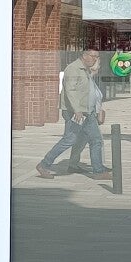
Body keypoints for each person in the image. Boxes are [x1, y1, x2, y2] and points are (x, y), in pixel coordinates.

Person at [36, 46, 107, 178]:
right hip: (75, 112)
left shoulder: (85, 70)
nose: (95, 59)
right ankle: (44, 164)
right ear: (84, 55)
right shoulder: (73, 69)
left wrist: (96, 110)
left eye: (97, 57)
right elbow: (70, 91)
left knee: (94, 140)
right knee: (69, 140)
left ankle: (97, 170)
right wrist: (77, 110)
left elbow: (90, 91)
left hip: (87, 112)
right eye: (93, 56)